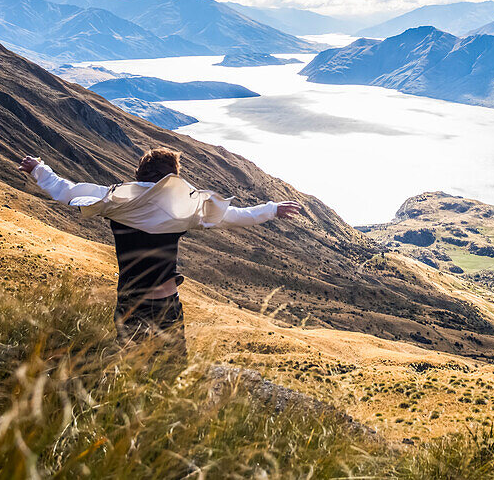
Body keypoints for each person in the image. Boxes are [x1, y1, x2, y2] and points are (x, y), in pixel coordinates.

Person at [18, 148, 302, 370]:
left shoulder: (116, 202)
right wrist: (272, 209)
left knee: (131, 369)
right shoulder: (180, 211)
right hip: (166, 304)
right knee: (171, 372)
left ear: (139, 174)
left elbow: (66, 190)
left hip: (129, 300)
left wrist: (39, 169)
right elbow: (233, 217)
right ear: (172, 180)